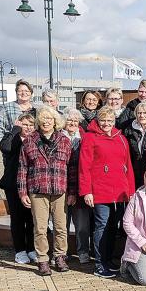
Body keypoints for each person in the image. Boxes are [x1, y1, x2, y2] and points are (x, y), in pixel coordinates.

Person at [79, 106, 136, 278]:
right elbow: (84, 166)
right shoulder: (90, 138)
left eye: (110, 121)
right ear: (97, 120)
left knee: (113, 227)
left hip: (119, 192)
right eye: (103, 120)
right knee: (102, 226)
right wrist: (86, 191)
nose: (106, 124)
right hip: (100, 191)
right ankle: (99, 263)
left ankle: (108, 259)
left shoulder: (121, 138)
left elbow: (128, 167)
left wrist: (131, 190)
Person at [17, 106, 73, 276]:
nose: (46, 122)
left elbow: (71, 169)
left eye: (50, 119)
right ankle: (42, 260)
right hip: (37, 189)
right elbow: (22, 169)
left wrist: (72, 192)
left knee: (61, 227)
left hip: (60, 190)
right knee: (40, 228)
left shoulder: (64, 141)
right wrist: (22, 192)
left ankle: (60, 256)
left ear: (55, 121)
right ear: (38, 121)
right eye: (43, 119)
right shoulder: (29, 141)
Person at [0, 113, 36, 264]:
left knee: (32, 218)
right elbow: (5, 148)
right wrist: (14, 129)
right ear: (19, 124)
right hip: (13, 184)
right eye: (25, 124)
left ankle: (31, 248)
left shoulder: (36, 138)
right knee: (18, 218)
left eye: (31, 125)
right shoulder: (12, 137)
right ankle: (20, 250)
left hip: (32, 183)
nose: (28, 128)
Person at [61, 107, 91, 263]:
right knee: (61, 224)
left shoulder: (85, 137)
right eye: (69, 120)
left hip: (80, 187)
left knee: (82, 225)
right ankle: (61, 252)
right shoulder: (58, 137)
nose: (72, 123)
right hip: (62, 187)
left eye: (75, 120)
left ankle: (83, 251)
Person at [0, 79, 35, 145]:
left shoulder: (36, 109)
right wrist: (3, 144)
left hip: (33, 148)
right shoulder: (6, 108)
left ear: (31, 93)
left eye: (27, 91)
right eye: (20, 91)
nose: (24, 93)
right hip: (13, 148)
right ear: (16, 92)